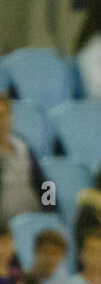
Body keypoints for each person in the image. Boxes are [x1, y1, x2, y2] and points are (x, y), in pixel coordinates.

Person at [0, 94, 50, 224]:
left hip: (34, 219)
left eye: (3, 115)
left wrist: (51, 211)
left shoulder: (24, 146)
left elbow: (46, 183)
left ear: (10, 117)